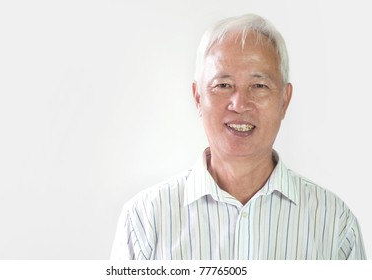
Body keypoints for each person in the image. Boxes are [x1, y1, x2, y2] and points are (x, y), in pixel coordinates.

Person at [110, 14, 366, 260]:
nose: (240, 104)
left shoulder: (335, 225)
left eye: (259, 86)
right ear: (198, 98)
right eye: (223, 85)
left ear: (284, 101)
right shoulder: (144, 221)